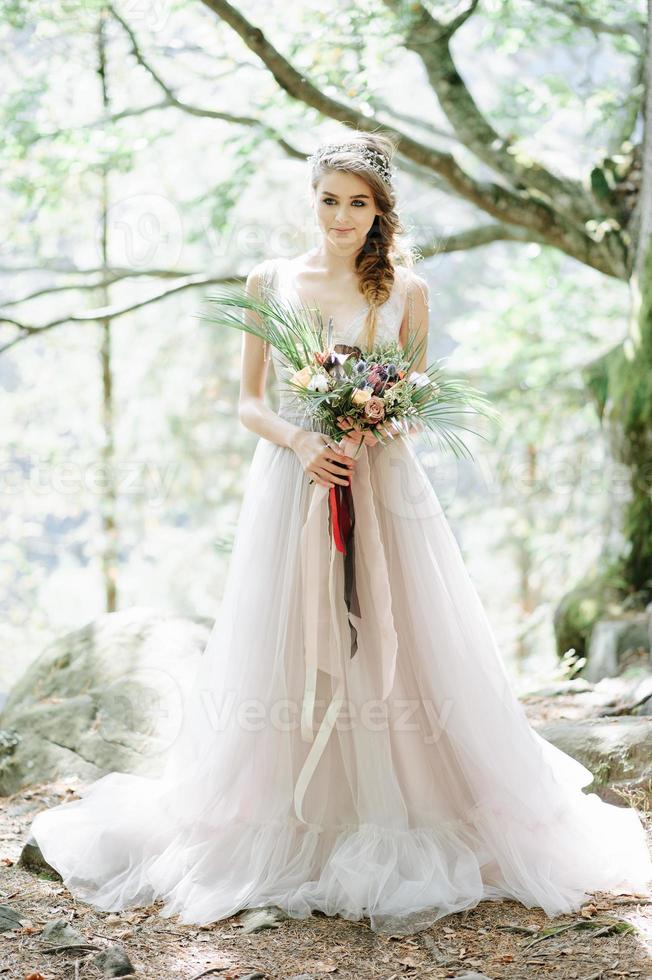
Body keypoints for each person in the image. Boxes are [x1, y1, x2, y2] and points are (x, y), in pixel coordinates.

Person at [28, 132, 652, 936]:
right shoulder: (271, 281)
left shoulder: (408, 291)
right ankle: (288, 813)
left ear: (380, 209)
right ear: (311, 198)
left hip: (385, 490)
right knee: (289, 640)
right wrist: (303, 441)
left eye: (359, 203)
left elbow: (418, 400)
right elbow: (250, 402)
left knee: (402, 635)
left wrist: (371, 427)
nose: (341, 217)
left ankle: (414, 802)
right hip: (293, 486)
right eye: (329, 200)